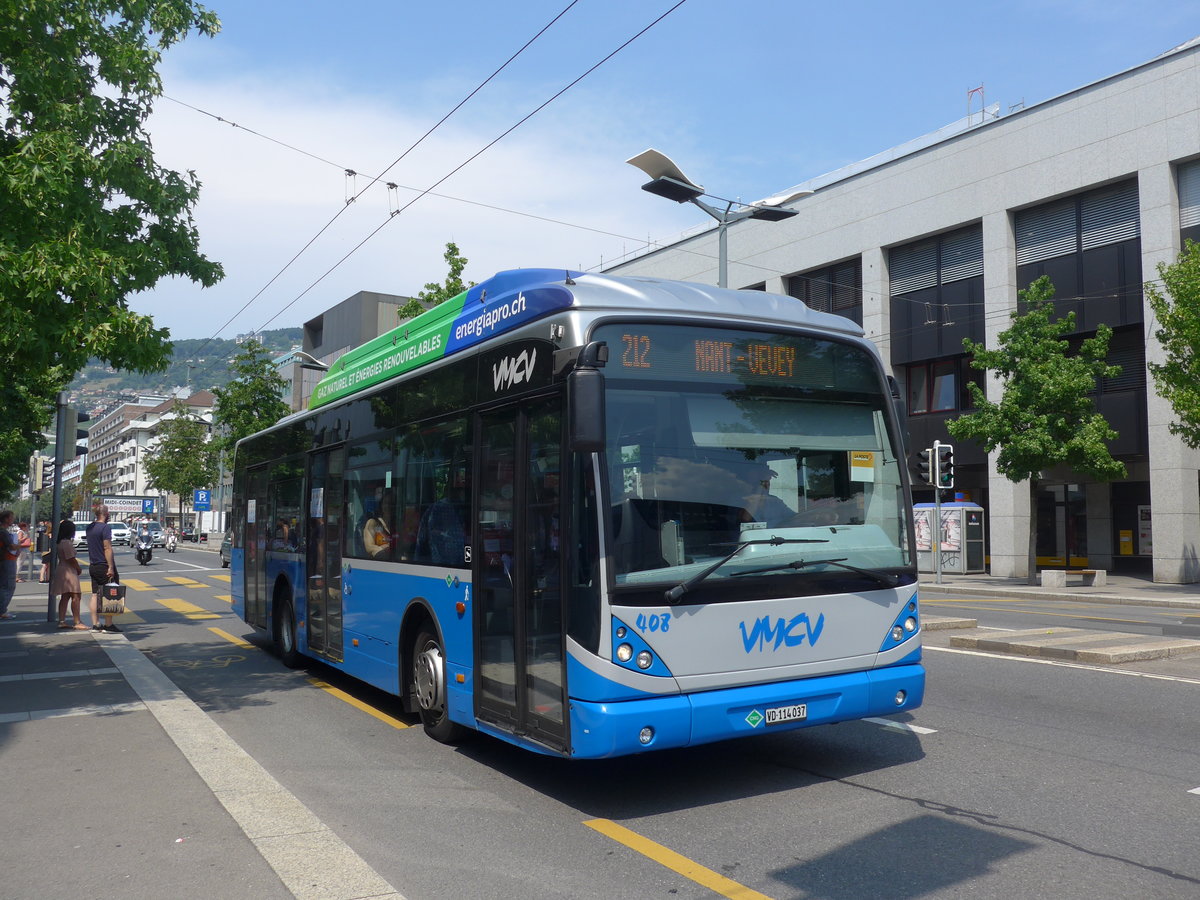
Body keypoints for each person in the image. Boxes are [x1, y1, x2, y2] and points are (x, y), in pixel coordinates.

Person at [85, 504, 120, 633]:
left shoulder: (90, 527)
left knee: (95, 594)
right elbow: (107, 548)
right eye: (108, 513)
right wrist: (110, 566)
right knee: (110, 594)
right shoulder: (105, 528)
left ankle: (95, 624)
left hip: (93, 565)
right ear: (105, 514)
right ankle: (108, 624)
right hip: (103, 565)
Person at [52, 520, 87, 630]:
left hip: (62, 568)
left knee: (65, 596)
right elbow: (71, 558)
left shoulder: (60, 542)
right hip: (69, 570)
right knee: (76, 596)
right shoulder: (66, 543)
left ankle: (62, 620)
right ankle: (77, 621)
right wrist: (78, 568)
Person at [363, 493, 395, 558]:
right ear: (381, 506)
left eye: (391, 504)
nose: (388, 506)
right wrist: (384, 549)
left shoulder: (396, 525)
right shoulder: (373, 523)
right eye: (386, 503)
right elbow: (369, 547)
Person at [0, 510, 18, 619]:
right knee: (8, 586)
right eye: (11, 517)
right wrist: (19, 545)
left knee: (3, 585)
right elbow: (11, 546)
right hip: (7, 560)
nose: (13, 519)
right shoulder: (3, 532)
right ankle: (2, 610)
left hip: (3, 560)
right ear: (6, 519)